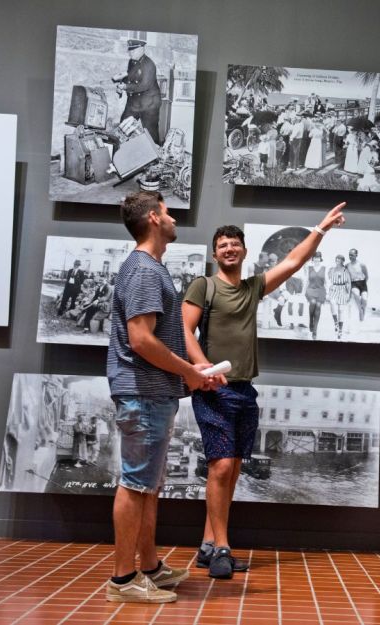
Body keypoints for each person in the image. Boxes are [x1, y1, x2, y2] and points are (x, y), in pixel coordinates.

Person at [181, 202, 347, 580]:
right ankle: (222, 547)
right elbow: (184, 331)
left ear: (243, 251)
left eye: (234, 244)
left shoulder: (253, 288)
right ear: (214, 252)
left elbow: (292, 262)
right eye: (222, 244)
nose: (228, 249)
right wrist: (202, 368)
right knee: (221, 466)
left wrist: (320, 229)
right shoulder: (202, 286)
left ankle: (208, 544)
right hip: (212, 391)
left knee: (233, 468)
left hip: (245, 393)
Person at [105, 190, 222, 603]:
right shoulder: (143, 270)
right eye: (169, 213)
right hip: (142, 392)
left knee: (148, 485)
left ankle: (149, 566)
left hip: (152, 392)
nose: (174, 219)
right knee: (137, 484)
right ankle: (123, 580)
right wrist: (190, 372)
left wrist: (192, 372)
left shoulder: (150, 268)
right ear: (154, 218)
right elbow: (140, 339)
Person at [113, 39, 162, 145]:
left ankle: (155, 156)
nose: (130, 53)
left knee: (150, 133)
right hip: (134, 102)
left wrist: (125, 86)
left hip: (149, 103)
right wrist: (121, 84)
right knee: (123, 126)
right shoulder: (132, 61)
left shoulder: (149, 64)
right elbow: (131, 77)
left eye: (133, 51)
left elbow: (144, 85)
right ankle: (121, 151)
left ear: (141, 49)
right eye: (129, 51)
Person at [326, 254, 352, 339]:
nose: (337, 261)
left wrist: (349, 294)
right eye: (336, 259)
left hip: (343, 289)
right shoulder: (331, 270)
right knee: (332, 303)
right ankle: (335, 323)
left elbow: (348, 283)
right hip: (334, 288)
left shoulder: (346, 271)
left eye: (339, 260)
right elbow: (328, 280)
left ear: (342, 261)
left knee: (341, 310)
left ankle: (340, 330)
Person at [304, 252, 327, 339]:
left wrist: (327, 293)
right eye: (315, 257)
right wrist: (304, 291)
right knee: (313, 302)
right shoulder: (309, 268)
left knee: (318, 305)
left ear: (320, 259)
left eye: (318, 257)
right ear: (313, 259)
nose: (316, 259)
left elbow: (326, 282)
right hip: (311, 289)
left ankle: (315, 330)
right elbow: (306, 280)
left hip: (321, 290)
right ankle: (310, 320)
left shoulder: (324, 268)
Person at [347, 248, 369, 322]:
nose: (350, 256)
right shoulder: (347, 265)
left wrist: (363, 285)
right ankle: (360, 311)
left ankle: (361, 320)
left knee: (364, 301)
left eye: (352, 255)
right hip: (354, 283)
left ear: (356, 255)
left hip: (363, 284)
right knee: (356, 294)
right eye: (349, 255)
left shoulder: (362, 265)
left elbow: (367, 276)